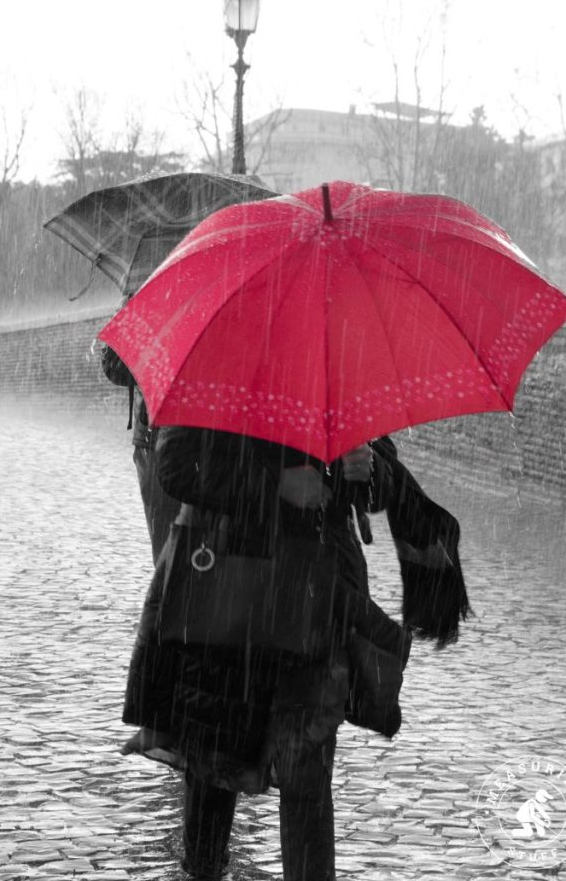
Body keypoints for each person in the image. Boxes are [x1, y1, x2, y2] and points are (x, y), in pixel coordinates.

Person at [121, 426, 469, 881]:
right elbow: (177, 468)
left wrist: (365, 468)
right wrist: (275, 484)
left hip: (318, 599)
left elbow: (378, 480)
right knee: (214, 762)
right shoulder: (222, 376)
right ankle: (204, 869)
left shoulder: (337, 361)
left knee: (308, 771)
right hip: (231, 595)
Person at [101, 343, 179, 563]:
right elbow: (115, 367)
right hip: (155, 440)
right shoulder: (147, 311)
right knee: (167, 543)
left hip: (211, 440)